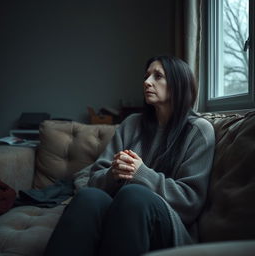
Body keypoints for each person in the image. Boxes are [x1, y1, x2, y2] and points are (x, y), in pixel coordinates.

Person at [44, 56, 215, 256]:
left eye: (157, 76)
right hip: (122, 216)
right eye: (146, 76)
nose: (147, 82)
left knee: (133, 194)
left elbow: (190, 202)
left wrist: (140, 173)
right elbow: (94, 179)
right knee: (88, 196)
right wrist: (113, 174)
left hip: (169, 225)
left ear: (178, 84)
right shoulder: (132, 124)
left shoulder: (199, 131)